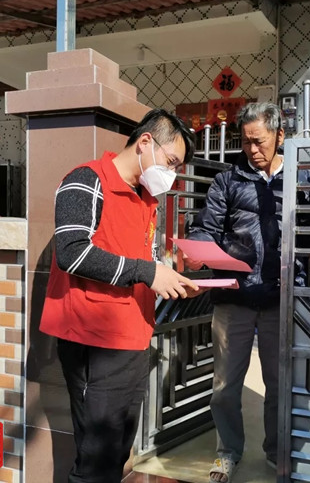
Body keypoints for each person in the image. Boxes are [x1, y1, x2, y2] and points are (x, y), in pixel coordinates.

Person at [39, 109, 200, 483]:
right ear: (145, 142)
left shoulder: (144, 197)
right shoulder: (85, 181)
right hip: (95, 340)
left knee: (115, 453)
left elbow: (139, 260)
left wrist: (168, 276)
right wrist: (149, 272)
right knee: (96, 459)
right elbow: (72, 252)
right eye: (171, 162)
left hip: (132, 337)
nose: (171, 174)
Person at [186, 102, 310, 482]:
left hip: (281, 302)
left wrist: (307, 291)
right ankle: (228, 452)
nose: (251, 149)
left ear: (280, 136)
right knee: (224, 386)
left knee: (279, 386)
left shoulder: (301, 181)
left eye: (259, 140)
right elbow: (205, 229)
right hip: (234, 298)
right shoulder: (227, 182)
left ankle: (277, 453)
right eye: (245, 141)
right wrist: (200, 250)